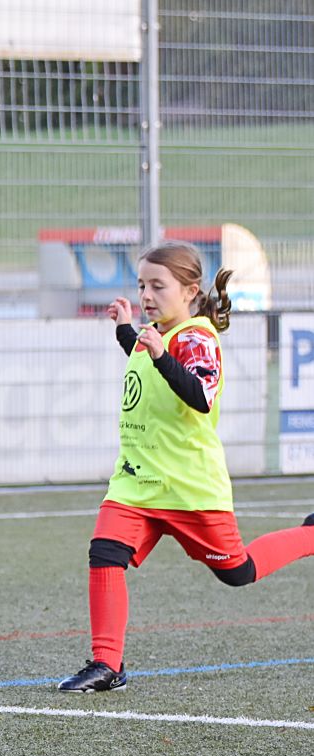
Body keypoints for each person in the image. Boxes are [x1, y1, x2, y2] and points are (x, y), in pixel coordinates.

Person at [59, 241, 314, 692]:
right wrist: (125, 330)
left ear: (191, 289)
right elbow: (151, 366)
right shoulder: (156, 334)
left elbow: (198, 396)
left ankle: (311, 534)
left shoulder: (196, 337)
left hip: (188, 488)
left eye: (158, 285)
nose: (147, 295)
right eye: (141, 285)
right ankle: (107, 665)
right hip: (137, 481)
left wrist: (158, 353)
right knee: (105, 552)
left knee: (239, 571)